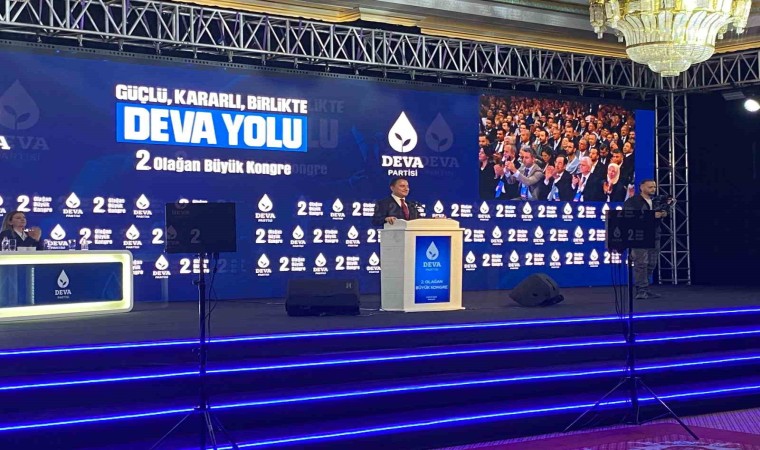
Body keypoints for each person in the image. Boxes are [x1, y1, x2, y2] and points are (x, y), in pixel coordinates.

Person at [624, 179, 668, 299]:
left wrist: (664, 213)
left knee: (651, 263)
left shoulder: (656, 201)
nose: (653, 189)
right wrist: (651, 215)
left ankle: (646, 287)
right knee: (641, 263)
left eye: (654, 187)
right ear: (641, 187)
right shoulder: (632, 201)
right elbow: (630, 216)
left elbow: (663, 211)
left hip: (654, 235)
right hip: (639, 236)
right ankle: (641, 289)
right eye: (650, 187)